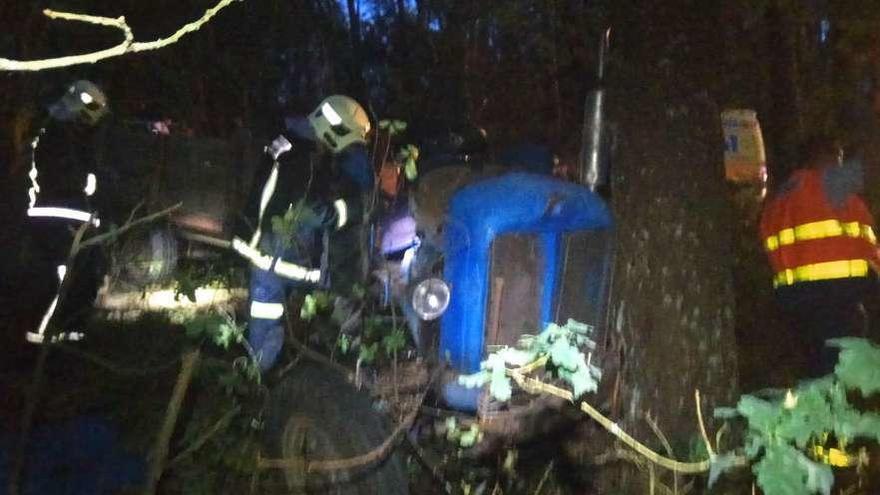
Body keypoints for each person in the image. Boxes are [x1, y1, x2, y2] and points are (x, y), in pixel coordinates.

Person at [232, 95, 373, 372]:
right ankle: (266, 379)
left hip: (260, 245)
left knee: (265, 319)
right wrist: (352, 210)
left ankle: (257, 376)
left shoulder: (289, 142)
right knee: (277, 317)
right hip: (276, 252)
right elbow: (309, 211)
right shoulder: (306, 158)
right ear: (336, 131)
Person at [759, 135, 879, 377]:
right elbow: (867, 244)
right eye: (838, 158)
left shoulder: (780, 197)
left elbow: (770, 245)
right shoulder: (836, 189)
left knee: (814, 365)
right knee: (844, 371)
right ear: (824, 157)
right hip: (839, 298)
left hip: (796, 300)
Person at [23, 80, 110, 344]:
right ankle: (45, 339)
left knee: (77, 273)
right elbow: (71, 178)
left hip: (62, 214)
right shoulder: (58, 135)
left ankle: (66, 336)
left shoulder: (56, 131)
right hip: (61, 215)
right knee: (66, 275)